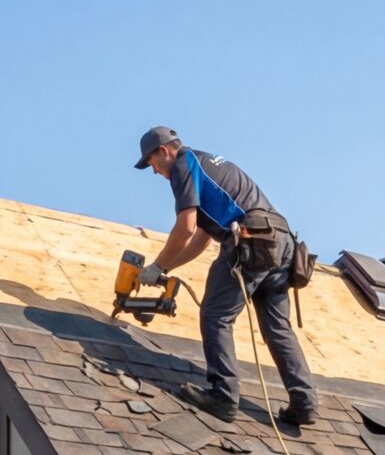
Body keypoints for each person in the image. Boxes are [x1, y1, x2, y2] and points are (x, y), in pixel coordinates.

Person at [131, 126, 319, 428]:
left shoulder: (183, 165)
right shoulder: (208, 165)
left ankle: (223, 397)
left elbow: (186, 228)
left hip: (250, 241)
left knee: (216, 315)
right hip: (281, 243)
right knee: (277, 328)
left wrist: (154, 266)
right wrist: (165, 269)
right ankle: (305, 405)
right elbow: (201, 239)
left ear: (163, 151)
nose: (154, 172)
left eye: (151, 163)